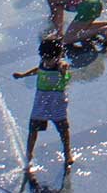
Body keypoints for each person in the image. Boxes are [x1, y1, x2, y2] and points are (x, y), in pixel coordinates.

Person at [13, 34, 74, 169]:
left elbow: (65, 68)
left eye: (50, 58)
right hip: (41, 102)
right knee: (33, 129)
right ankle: (29, 154)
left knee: (63, 128)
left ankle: (67, 153)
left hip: (56, 102)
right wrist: (23, 75)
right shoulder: (43, 63)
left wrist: (64, 71)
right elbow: (38, 70)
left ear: (58, 56)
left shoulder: (60, 66)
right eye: (44, 57)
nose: (46, 61)